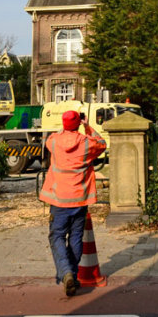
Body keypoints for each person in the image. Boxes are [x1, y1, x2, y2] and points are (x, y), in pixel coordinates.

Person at [39, 109, 106, 296]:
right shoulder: (86, 144)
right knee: (76, 238)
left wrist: (69, 127)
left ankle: (66, 272)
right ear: (78, 123)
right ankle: (73, 276)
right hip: (79, 200)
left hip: (59, 199)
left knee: (57, 237)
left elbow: (52, 138)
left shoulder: (54, 141)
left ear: (63, 123)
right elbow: (102, 143)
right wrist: (87, 126)